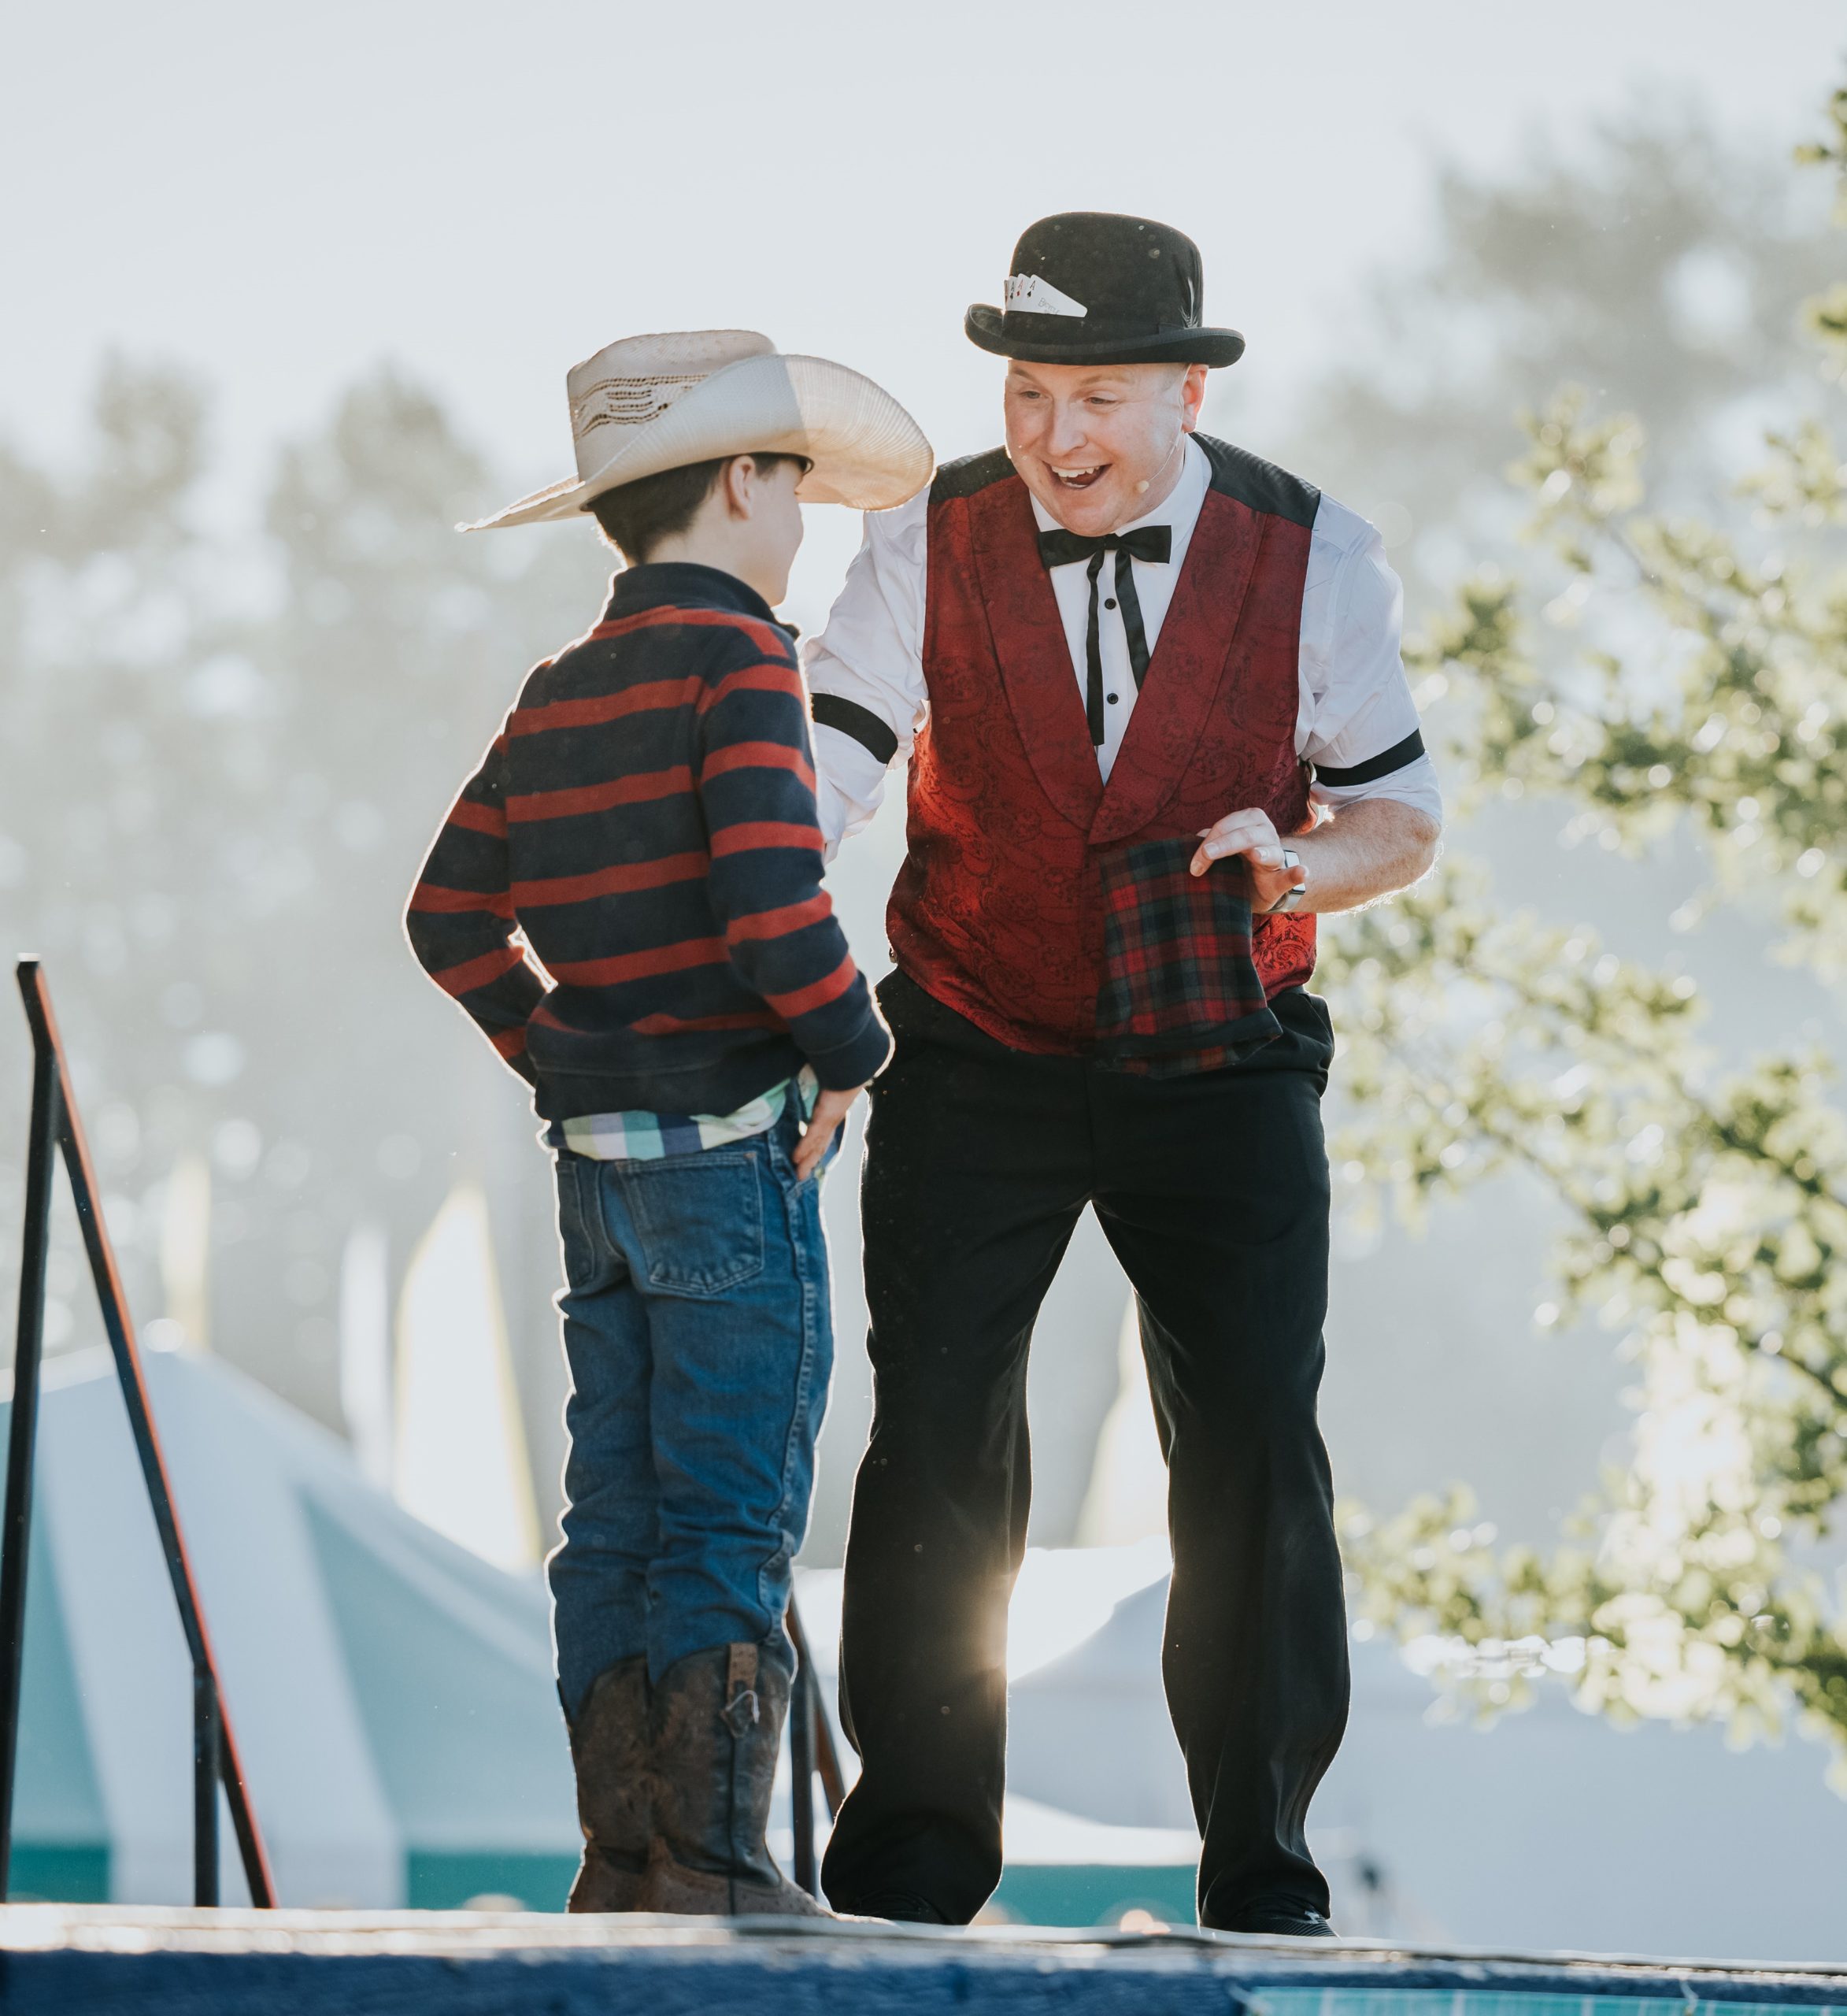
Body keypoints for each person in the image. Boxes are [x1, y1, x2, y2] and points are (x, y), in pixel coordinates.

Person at [805, 214, 1443, 1935]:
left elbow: (1400, 818)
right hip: (972, 1031)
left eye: (1094, 395)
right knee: (935, 1432)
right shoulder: (922, 537)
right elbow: (829, 758)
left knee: (1247, 1448)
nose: (1056, 438)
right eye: (1025, 394)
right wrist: (763, 941)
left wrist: (1292, 858)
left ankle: (1262, 1873)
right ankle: (912, 1870)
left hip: (1219, 1052)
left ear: (1183, 385)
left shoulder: (1317, 554)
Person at [405, 330, 931, 1916]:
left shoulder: (558, 687)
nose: (808, 524)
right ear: (741, 482)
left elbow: (447, 919)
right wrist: (858, 1048)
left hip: (595, 1172)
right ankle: (714, 1858)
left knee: (612, 1513)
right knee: (728, 1502)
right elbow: (778, 907)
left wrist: (561, 1047)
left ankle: (620, 1857)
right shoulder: (746, 663)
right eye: (796, 489)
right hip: (728, 1158)